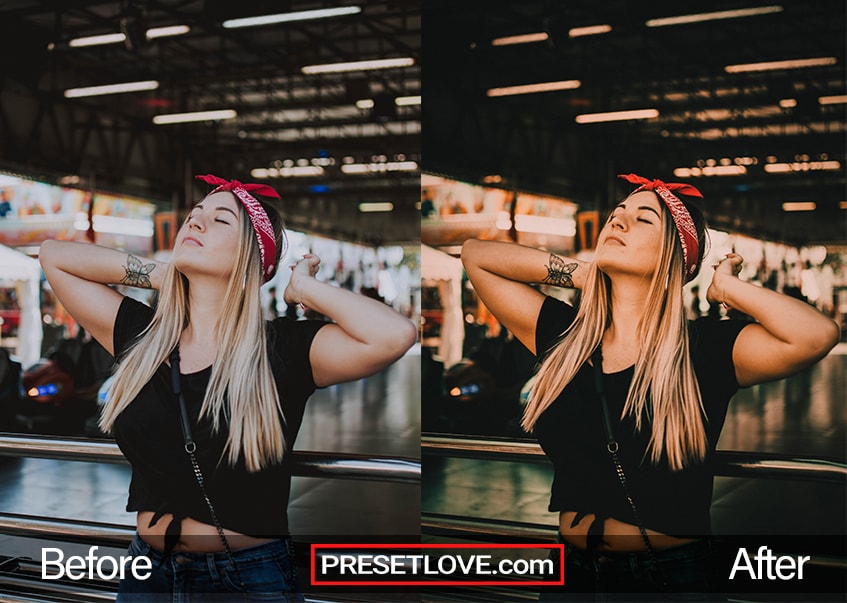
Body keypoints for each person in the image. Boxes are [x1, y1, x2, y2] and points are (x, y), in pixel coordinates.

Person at [39, 174, 417, 602]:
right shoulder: (141, 335)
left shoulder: (282, 350)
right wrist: (165, 274)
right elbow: (55, 256)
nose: (194, 224)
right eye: (194, 216)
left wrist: (305, 287)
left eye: (220, 220)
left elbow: (395, 334)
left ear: (251, 258)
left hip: (246, 580)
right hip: (148, 574)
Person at [461, 173, 839, 600]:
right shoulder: (565, 334)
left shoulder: (705, 349)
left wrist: (727, 287)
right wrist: (586, 274)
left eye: (643, 220)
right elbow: (476, 256)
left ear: (674, 257)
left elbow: (816, 334)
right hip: (572, 574)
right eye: (616, 215)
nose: (617, 223)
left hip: (668, 578)